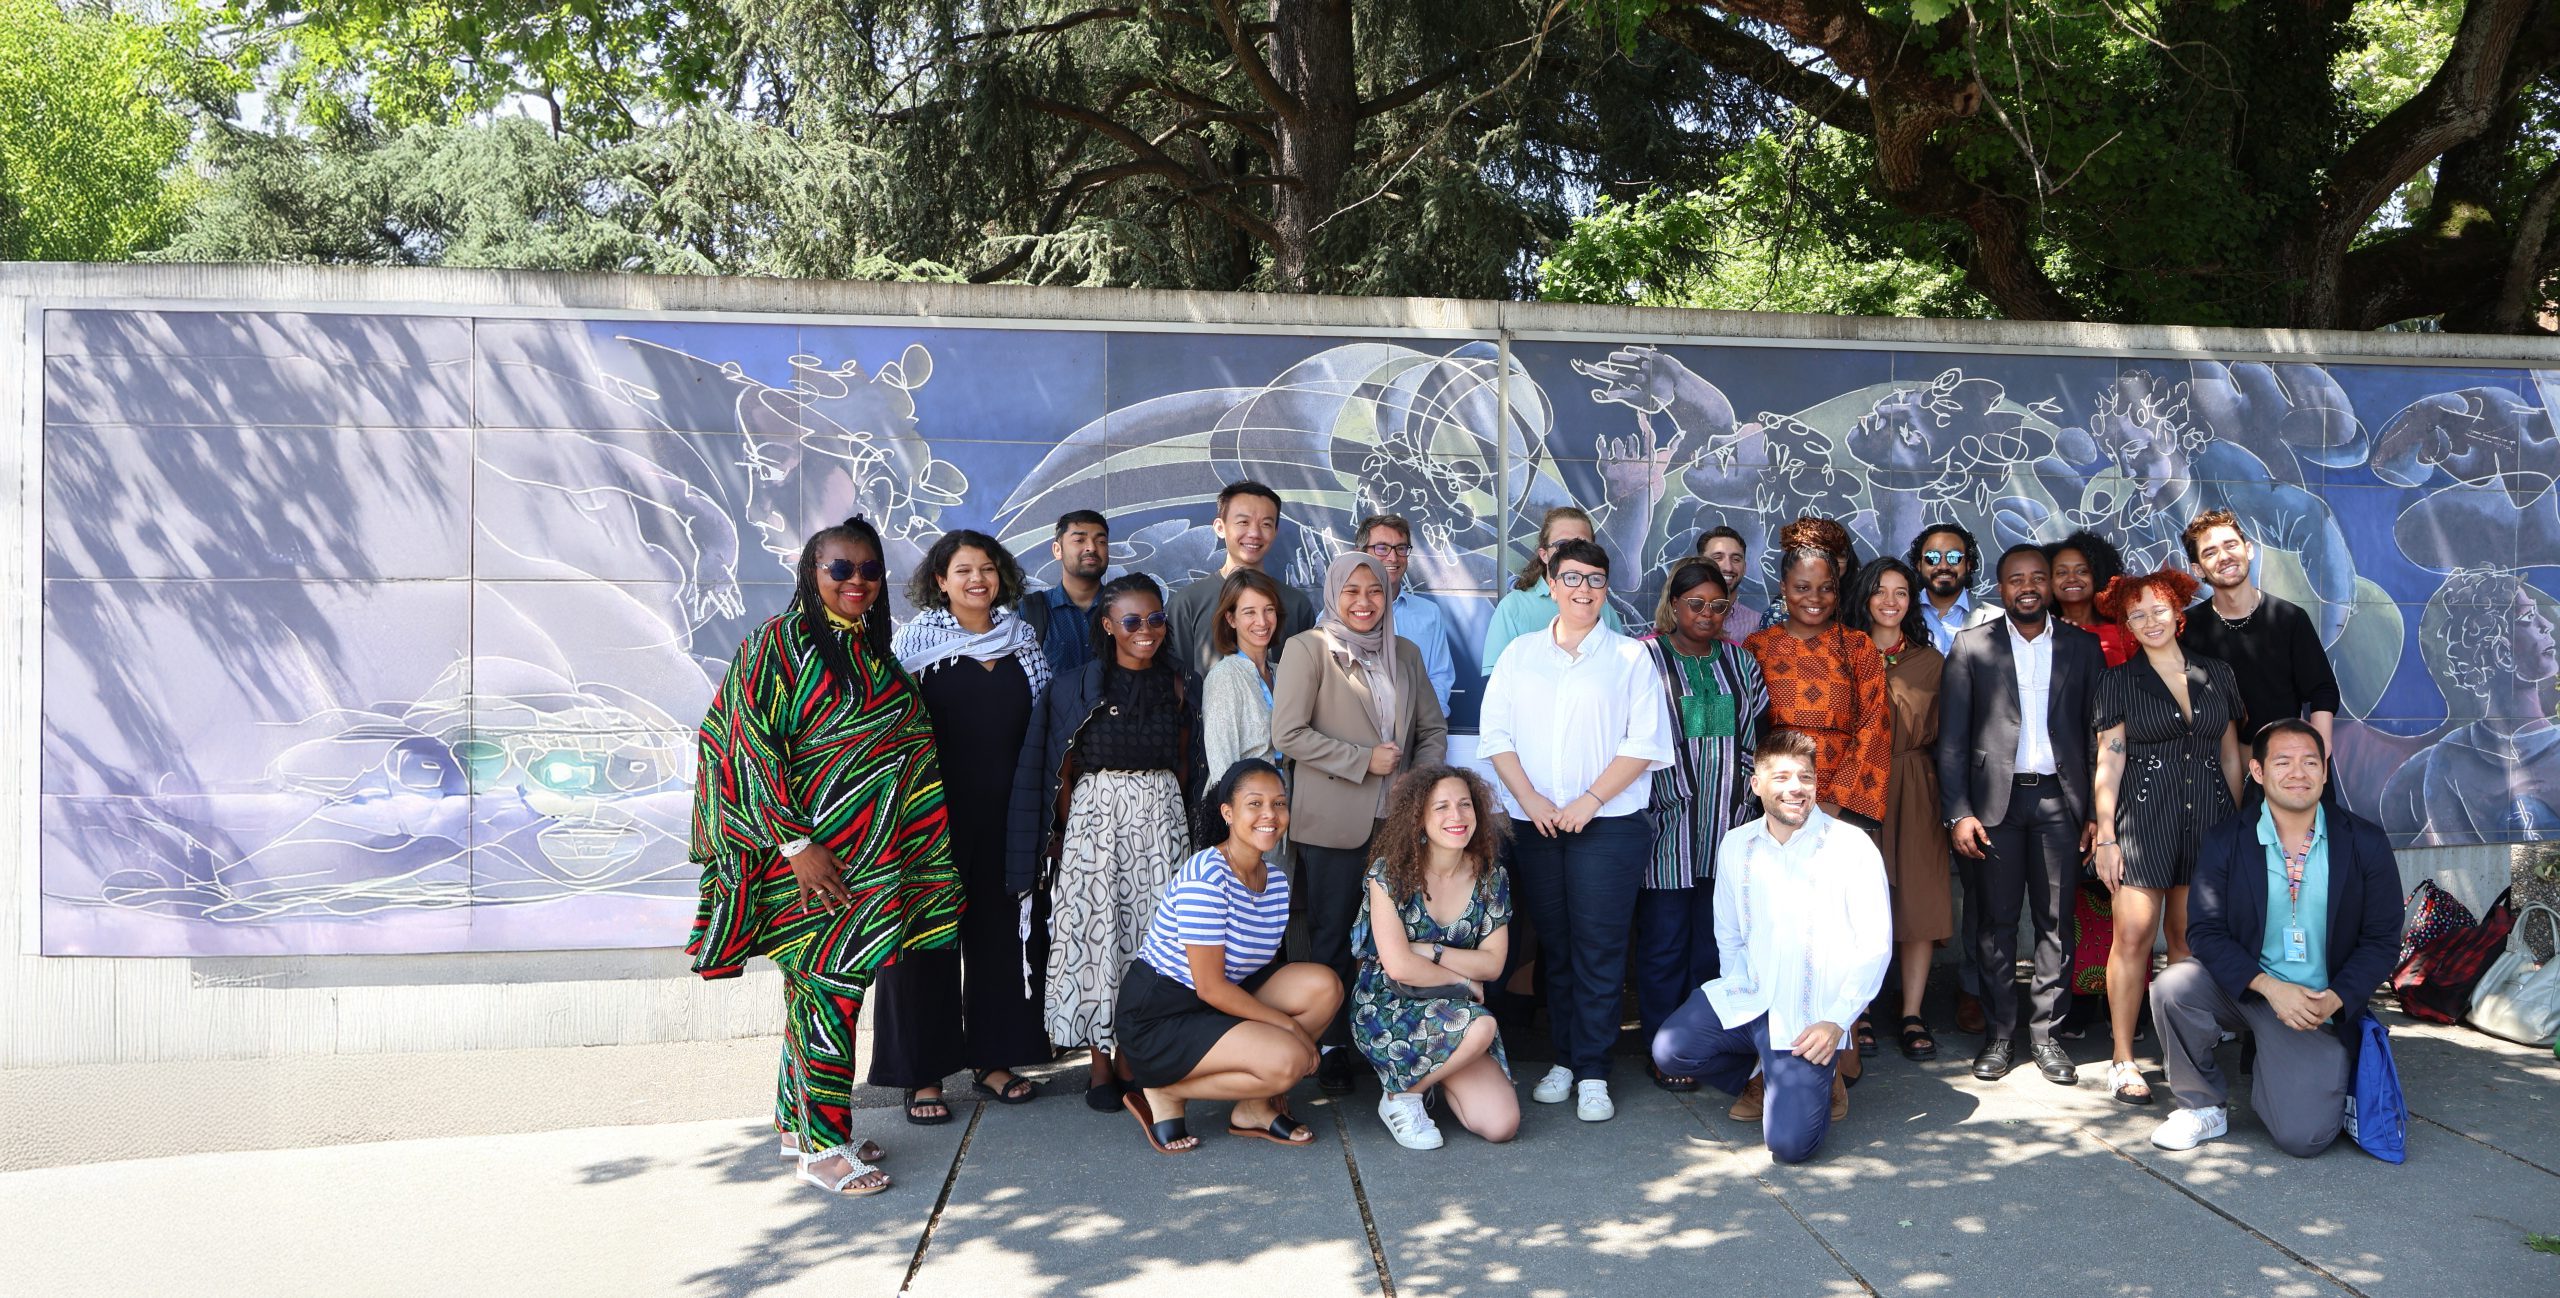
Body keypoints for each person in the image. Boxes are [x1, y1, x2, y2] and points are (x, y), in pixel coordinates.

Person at [687, 515, 961, 1197]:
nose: (858, 582)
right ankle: (824, 1148)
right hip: (817, 866)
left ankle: (796, 1124)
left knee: (815, 995)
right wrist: (795, 844)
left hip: (869, 863)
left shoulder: (870, 650)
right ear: (813, 574)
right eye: (841, 569)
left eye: (869, 570)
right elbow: (744, 747)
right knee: (830, 995)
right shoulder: (777, 646)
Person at [1479, 537, 1674, 1123]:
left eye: (1594, 579)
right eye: (1571, 578)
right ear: (1551, 582)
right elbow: (1497, 737)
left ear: (1605, 588)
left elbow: (1642, 745)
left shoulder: (1631, 658)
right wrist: (1532, 799)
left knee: (1600, 948)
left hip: (1607, 826)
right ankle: (1563, 1059)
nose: (1583, 589)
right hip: (1534, 823)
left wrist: (1588, 801)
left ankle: (1593, 1069)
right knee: (1556, 947)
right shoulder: (1520, 655)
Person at [2148, 721, 2404, 1156]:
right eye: (2283, 762)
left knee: (2303, 1138)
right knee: (2174, 987)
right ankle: (2202, 1105)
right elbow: (2205, 931)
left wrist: (2338, 997)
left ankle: (2293, 1071)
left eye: (2310, 762)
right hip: (2249, 989)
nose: (2298, 773)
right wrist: (2268, 986)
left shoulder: (2364, 842)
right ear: (2258, 771)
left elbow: (2381, 939)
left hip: (2315, 1004)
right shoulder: (2227, 840)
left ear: (2325, 771)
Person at [871, 530, 1052, 1125]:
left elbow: (1044, 731)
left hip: (1008, 816)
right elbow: (887, 733)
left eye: (988, 569)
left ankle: (995, 1059)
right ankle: (922, 1074)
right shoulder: (914, 644)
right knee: (926, 942)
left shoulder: (1024, 640)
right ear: (941, 581)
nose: (978, 579)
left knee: (1004, 935)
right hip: (928, 819)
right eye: (963, 570)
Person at [1651, 729, 1892, 1165]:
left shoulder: (1851, 847)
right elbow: (1728, 932)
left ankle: (1819, 1076)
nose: (1795, 788)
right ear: (1756, 784)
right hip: (1753, 997)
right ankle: (1760, 1072)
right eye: (1780, 777)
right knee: (1670, 1050)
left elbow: (1874, 945)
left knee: (1790, 1147)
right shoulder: (1736, 844)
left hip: (1808, 1017)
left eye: (1804, 776)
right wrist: (1734, 995)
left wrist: (1836, 1022)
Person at [1008, 573, 1198, 1112]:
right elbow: (1060, 772)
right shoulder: (1076, 685)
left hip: (1162, 825)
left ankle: (1138, 1059)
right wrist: (1067, 840)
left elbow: (1186, 764)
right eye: (1132, 621)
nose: (1146, 630)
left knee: (1154, 942)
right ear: (1109, 625)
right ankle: (1099, 1065)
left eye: (1155, 619)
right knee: (1096, 942)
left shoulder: (1182, 684)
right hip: (1093, 825)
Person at [1272, 552, 1451, 1094]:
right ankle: (1329, 1049)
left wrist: (1414, 787)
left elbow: (1432, 731)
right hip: (1333, 822)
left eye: (1374, 591)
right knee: (1330, 935)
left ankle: (1388, 1041)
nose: (1364, 602)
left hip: (1395, 824)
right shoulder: (1307, 650)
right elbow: (1288, 733)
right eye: (1351, 591)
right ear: (1333, 594)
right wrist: (1362, 760)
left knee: (1394, 938)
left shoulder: (1407, 653)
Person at [1936, 543, 2104, 1087]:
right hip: (1994, 807)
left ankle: (2047, 1036)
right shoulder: (1971, 646)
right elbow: (1953, 740)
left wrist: (2097, 812)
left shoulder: (2083, 647)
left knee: (2057, 922)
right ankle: (2001, 1035)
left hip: (2061, 801)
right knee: (1995, 923)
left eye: (2037, 577)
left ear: (2049, 587)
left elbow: (2098, 738)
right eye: (2015, 579)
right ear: (2000, 588)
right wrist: (1958, 812)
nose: (2027, 587)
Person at [1116, 759, 1344, 1153]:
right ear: (1228, 813)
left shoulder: (1275, 880)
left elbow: (1254, 969)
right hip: (1161, 1014)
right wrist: (1287, 1028)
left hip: (1219, 996)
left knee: (1324, 986)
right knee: (1287, 1060)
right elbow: (1210, 987)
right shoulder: (1207, 877)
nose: (1270, 815)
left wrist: (1278, 1026)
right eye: (1254, 804)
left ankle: (1254, 1106)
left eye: (1279, 803)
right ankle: (1164, 1089)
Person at [2091, 567, 2245, 1105]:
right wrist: (2106, 836)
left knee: (2187, 942)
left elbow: (2230, 753)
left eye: (2158, 609)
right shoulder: (2118, 681)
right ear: (2127, 625)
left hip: (2208, 820)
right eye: (2137, 614)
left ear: (2178, 613)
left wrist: (2240, 826)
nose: (2150, 620)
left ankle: (2185, 1055)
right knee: (2132, 937)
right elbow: (2109, 761)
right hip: (2142, 822)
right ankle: (2122, 1058)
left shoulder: (2216, 673)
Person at [1636, 558, 1767, 1086]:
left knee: (1715, 946)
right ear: (1673, 604)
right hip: (1665, 828)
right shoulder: (1644, 659)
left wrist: (1745, 798)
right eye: (1696, 604)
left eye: (1719, 605)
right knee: (1663, 943)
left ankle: (1702, 1048)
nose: (1708, 614)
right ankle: (1660, 1049)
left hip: (1730, 825)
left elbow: (1755, 738)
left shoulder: (1741, 664)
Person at [1351, 765, 1522, 1149]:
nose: (1456, 816)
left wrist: (1433, 950)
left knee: (1501, 1124)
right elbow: (1397, 966)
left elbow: (1494, 965)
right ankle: (1400, 1097)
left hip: (1453, 1010)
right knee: (1481, 1026)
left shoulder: (1491, 877)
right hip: (1391, 1003)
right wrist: (1463, 980)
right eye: (1441, 807)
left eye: (1465, 805)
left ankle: (1425, 1075)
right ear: (1419, 818)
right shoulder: (1389, 875)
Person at [1843, 556, 1951, 1064]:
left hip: (1914, 783)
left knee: (1918, 900)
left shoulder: (1931, 661)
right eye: (1880, 590)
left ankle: (1912, 1012)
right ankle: (1857, 1011)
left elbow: (1950, 736)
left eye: (1902, 592)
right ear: (1864, 596)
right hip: (1854, 785)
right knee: (1854, 903)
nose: (1891, 601)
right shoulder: (1840, 652)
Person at [1742, 516, 1889, 830]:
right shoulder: (1758, 647)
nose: (1815, 598)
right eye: (1802, 587)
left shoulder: (1857, 645)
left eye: (1826, 588)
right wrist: (1770, 794)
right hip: (1774, 796)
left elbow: (1873, 725)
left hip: (1838, 804)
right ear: (1784, 587)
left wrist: (1833, 802)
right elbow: (1747, 728)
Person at [2178, 508, 2340, 756]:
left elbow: (2322, 690)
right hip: (2217, 768)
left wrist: (2320, 749)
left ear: (2249, 550)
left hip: (2282, 764)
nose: (2224, 557)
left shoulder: (2289, 618)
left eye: (2231, 545)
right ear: (2198, 569)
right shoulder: (2187, 628)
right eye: (2210, 553)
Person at [1165, 482, 1317, 677]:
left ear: (1275, 532)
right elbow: (1176, 681)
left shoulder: (1297, 605)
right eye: (1243, 522)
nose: (1254, 533)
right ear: (1220, 527)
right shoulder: (1187, 603)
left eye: (1266, 524)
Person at [1480, 506, 1625, 673]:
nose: (1573, 553)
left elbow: (1620, 674)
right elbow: (1500, 684)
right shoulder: (1513, 608)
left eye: (1582, 544)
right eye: (1562, 545)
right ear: (1544, 554)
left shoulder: (1604, 610)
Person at [1358, 513, 1456, 713]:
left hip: (1419, 733)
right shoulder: (1336, 616)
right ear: (1361, 553)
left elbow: (1440, 677)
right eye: (1382, 548)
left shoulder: (1429, 613)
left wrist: (1427, 726)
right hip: (1359, 735)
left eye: (1401, 548)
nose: (1393, 557)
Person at [1202, 569, 1290, 782]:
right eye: (1250, 612)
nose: (1262, 621)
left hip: (1283, 799)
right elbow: (1222, 767)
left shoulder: (1283, 672)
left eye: (1268, 610)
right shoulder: (1225, 677)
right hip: (1244, 804)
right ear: (1231, 619)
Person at [1021, 510, 1112, 676]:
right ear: (1057, 550)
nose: (1091, 548)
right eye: (1079, 540)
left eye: (1101, 541)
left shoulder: (1123, 608)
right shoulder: (1031, 611)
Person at [1909, 522, 2000, 655]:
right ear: (1919, 565)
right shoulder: (1900, 615)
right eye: (1932, 558)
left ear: (1969, 564)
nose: (1943, 566)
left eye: (1954, 557)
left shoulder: (1997, 619)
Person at [2049, 529, 2136, 667]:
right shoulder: (2045, 636)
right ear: (2049, 581)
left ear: (2097, 576)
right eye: (2061, 572)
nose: (2071, 578)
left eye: (2082, 571)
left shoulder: (2126, 633)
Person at [1696, 525, 1764, 642]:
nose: (1728, 567)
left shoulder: (1757, 625)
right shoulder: (1678, 618)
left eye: (1736, 559)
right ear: (1700, 564)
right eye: (1718, 558)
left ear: (1745, 568)